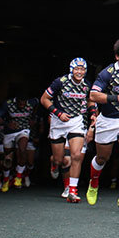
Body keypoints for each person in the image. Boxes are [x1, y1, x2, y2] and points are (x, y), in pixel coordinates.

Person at [86, 39, 119, 206]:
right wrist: (115, 98)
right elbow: (93, 96)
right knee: (103, 157)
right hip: (107, 121)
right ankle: (93, 183)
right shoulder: (107, 73)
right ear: (117, 57)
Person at [40, 58, 92, 203]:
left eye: (82, 69)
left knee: (76, 156)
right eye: (77, 69)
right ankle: (54, 162)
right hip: (59, 121)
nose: (79, 72)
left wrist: (93, 114)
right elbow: (44, 99)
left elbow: (90, 100)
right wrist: (58, 113)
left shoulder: (86, 85)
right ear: (71, 69)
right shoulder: (60, 82)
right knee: (59, 159)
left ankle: (72, 190)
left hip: (76, 121)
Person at [0, 94, 39, 190]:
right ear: (16, 101)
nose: (21, 106)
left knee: (23, 149)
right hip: (9, 132)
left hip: (23, 130)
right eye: (19, 104)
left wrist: (33, 118)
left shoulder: (32, 102)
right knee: (8, 159)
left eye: (23, 104)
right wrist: (6, 124)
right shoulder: (8, 104)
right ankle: (6, 179)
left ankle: (18, 177)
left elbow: (40, 103)